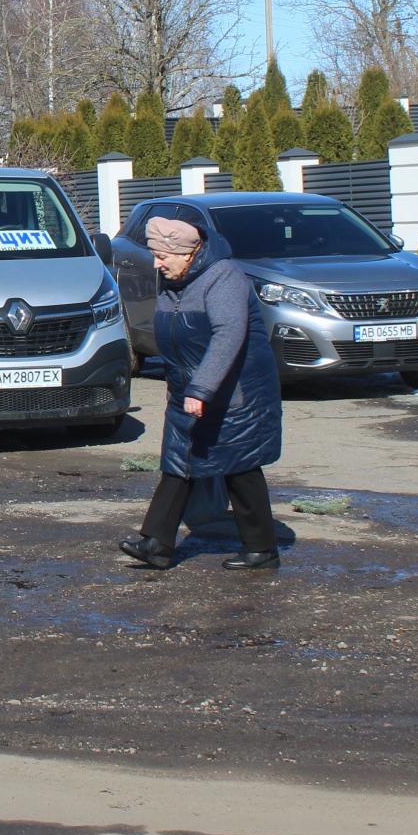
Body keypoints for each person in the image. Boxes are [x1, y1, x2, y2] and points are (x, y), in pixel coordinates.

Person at [120, 214, 285, 572]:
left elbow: (228, 336)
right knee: (180, 461)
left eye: (163, 256)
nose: (156, 264)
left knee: (240, 465)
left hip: (235, 389)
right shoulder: (173, 281)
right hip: (190, 386)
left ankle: (262, 548)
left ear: (187, 253)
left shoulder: (224, 278)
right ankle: (157, 544)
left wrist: (202, 388)